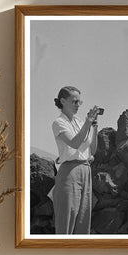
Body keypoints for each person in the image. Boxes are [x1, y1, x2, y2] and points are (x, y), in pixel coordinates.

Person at [51, 86, 101, 235]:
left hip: (86, 170)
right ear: (63, 101)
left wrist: (94, 128)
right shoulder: (59, 123)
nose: (78, 105)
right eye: (74, 102)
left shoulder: (80, 122)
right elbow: (74, 143)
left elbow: (93, 150)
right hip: (69, 172)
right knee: (66, 220)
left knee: (83, 221)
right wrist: (87, 123)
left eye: (80, 102)